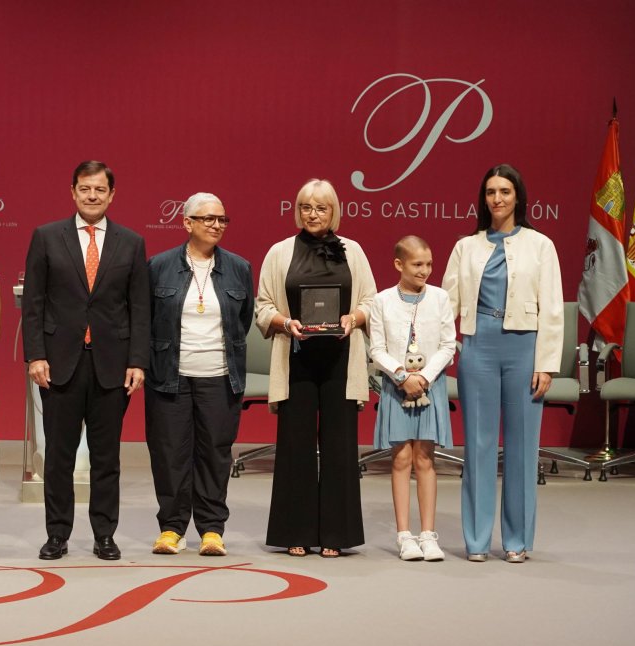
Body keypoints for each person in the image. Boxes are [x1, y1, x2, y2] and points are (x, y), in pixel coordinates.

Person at [22, 160, 149, 561]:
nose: (92, 196)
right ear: (73, 192)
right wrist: (35, 355)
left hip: (112, 365)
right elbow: (34, 304)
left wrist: (138, 361)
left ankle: (104, 535)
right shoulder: (46, 237)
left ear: (112, 195)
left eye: (99, 189)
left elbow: (140, 308)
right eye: (85, 188)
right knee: (58, 457)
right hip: (60, 364)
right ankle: (57, 534)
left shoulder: (131, 242)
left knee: (106, 458)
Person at [442, 164, 563, 563]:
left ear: (518, 197)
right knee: (478, 445)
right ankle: (477, 541)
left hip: (524, 350)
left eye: (505, 191)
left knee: (522, 447)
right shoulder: (466, 247)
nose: (497, 199)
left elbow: (552, 309)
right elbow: (445, 305)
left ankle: (516, 540)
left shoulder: (540, 245)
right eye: (491, 192)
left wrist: (546, 364)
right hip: (478, 346)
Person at [255, 178, 376, 558]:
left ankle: (336, 535)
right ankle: (296, 530)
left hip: (341, 360)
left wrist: (354, 318)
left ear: (334, 211)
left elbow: (371, 302)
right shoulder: (279, 252)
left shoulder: (353, 251)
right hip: (296, 359)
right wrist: (284, 322)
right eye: (306, 207)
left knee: (340, 448)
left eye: (321, 207)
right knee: (295, 446)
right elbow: (263, 306)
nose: (313, 214)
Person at [145, 192, 253, 557]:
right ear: (187, 223)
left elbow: (242, 320)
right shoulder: (159, 266)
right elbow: (146, 319)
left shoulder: (239, 267)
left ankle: (211, 530)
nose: (216, 225)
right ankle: (171, 528)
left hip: (220, 376)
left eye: (222, 219)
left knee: (214, 455)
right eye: (208, 218)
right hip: (169, 376)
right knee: (169, 454)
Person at [368, 236, 455, 561]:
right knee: (402, 458)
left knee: (425, 459)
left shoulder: (440, 298)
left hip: (430, 387)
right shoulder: (382, 301)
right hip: (397, 387)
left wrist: (424, 377)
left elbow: (448, 345)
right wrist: (402, 377)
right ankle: (404, 535)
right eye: (418, 264)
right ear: (399, 264)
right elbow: (377, 349)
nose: (425, 270)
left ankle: (428, 535)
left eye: (429, 264)